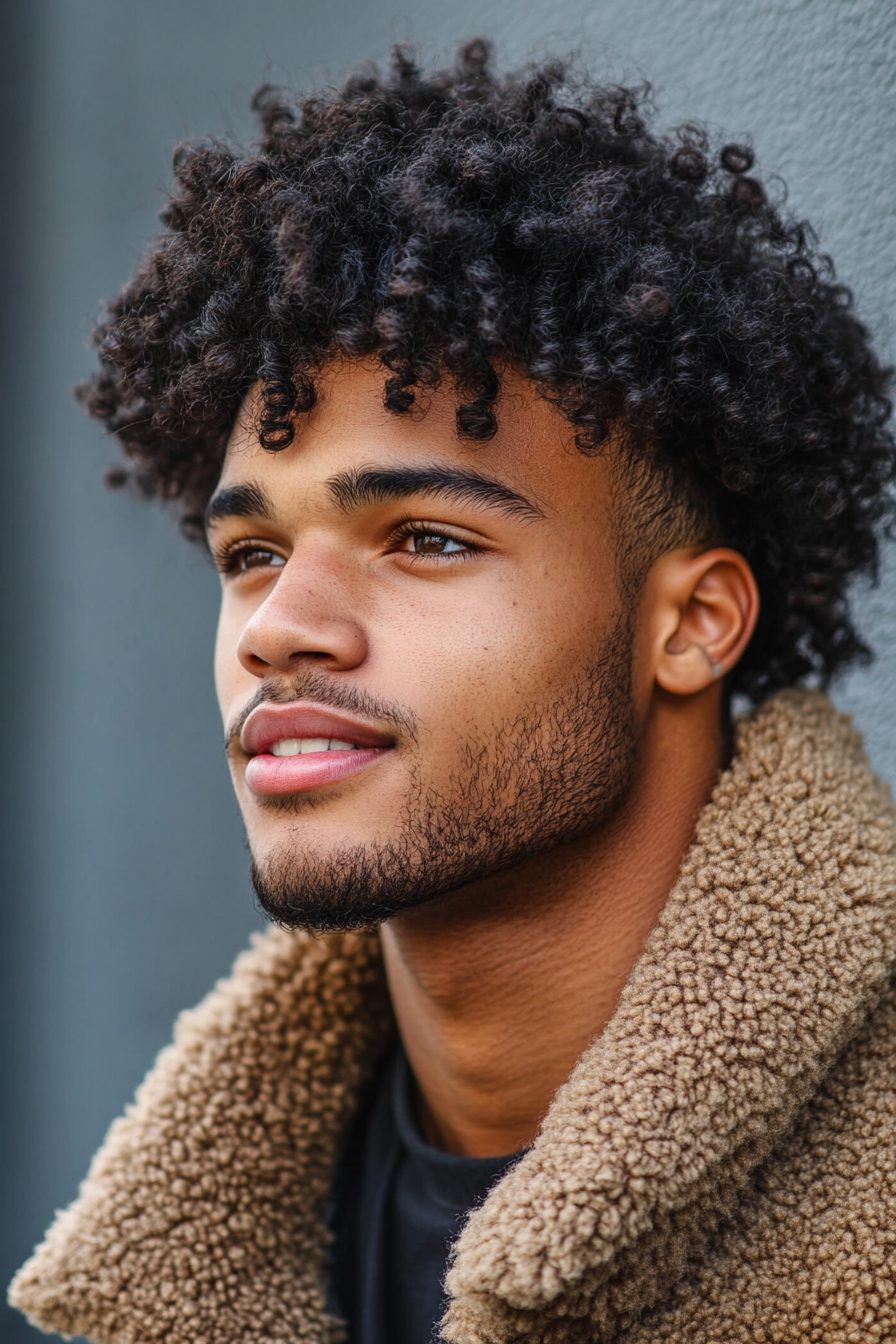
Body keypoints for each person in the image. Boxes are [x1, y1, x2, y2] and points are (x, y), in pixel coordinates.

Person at [10, 39, 896, 1344]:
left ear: (693, 626)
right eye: (250, 555)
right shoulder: (187, 1252)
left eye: (426, 538)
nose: (280, 631)